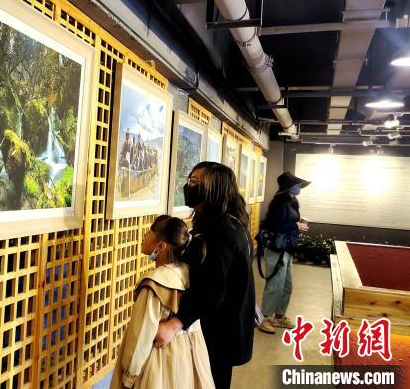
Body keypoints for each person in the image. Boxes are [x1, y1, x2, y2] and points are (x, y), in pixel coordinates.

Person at [153, 162, 255, 389]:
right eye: (190, 180)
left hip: (220, 328)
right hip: (222, 323)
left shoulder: (222, 229)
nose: (190, 186)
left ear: (216, 188)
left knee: (211, 380)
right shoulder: (220, 221)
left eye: (197, 182)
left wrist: (175, 324)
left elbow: (212, 287)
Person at [110, 215, 215, 389]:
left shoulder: (153, 284)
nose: (145, 234)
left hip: (157, 368)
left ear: (161, 246)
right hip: (188, 362)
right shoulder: (190, 274)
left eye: (151, 230)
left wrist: (128, 377)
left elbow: (139, 340)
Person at [257, 172, 311, 334]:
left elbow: (286, 223)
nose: (299, 187)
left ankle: (279, 316)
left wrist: (296, 226)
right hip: (276, 250)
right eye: (297, 185)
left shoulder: (292, 201)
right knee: (275, 284)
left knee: (286, 285)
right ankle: (265, 318)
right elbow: (273, 226)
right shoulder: (279, 203)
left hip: (286, 248)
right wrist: (295, 226)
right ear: (288, 186)